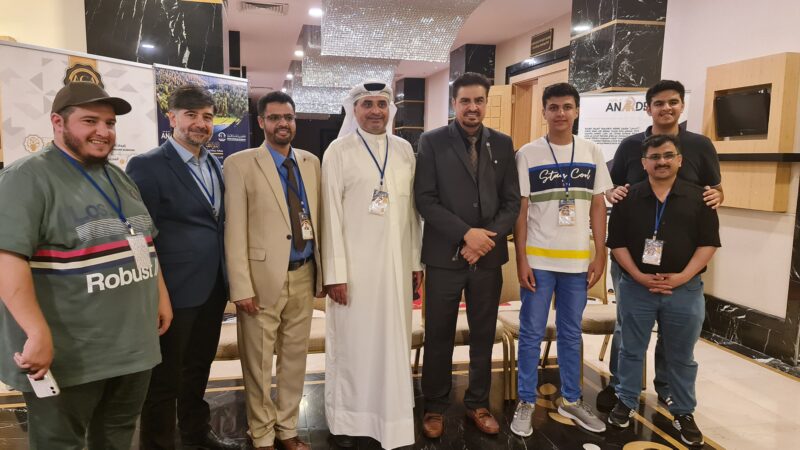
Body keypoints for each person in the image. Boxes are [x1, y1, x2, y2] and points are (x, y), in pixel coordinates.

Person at [0, 81, 172, 449]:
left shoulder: (117, 176)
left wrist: (160, 295)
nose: (103, 132)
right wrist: (36, 332)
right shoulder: (26, 178)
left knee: (117, 437)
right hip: (71, 352)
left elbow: (143, 239)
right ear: (57, 122)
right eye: (90, 121)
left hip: (133, 347)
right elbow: (7, 259)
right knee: (60, 442)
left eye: (110, 123)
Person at [598, 80, 723, 411]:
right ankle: (621, 387)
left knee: (674, 331)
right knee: (627, 326)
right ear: (648, 107)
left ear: (682, 105)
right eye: (659, 103)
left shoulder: (700, 145)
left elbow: (715, 189)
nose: (666, 108)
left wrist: (719, 196)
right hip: (632, 260)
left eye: (673, 102)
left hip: (682, 262)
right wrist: (611, 193)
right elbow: (610, 187)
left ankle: (666, 387)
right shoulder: (630, 145)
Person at [126, 85, 237, 449]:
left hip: (213, 287)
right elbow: (138, 236)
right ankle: (158, 443)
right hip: (171, 291)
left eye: (207, 117)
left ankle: (195, 432)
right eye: (191, 115)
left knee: (199, 367)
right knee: (164, 378)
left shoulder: (214, 163)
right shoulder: (147, 165)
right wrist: (152, 293)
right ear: (171, 118)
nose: (200, 124)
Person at [415, 72, 519, 438]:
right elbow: (425, 199)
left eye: (478, 100)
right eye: (465, 101)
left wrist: (484, 241)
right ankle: (435, 405)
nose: (472, 107)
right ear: (454, 104)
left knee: (483, 333)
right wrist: (466, 234)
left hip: (487, 258)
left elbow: (511, 203)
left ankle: (478, 402)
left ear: (486, 103)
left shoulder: (503, 144)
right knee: (438, 333)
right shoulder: (432, 142)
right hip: (445, 256)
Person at [321, 80, 422, 449]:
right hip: (354, 273)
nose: (376, 111)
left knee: (393, 343)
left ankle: (391, 417)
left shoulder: (405, 150)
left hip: (396, 269)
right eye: (368, 104)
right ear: (355, 109)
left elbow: (412, 214)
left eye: (382, 104)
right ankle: (350, 419)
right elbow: (329, 215)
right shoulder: (338, 151)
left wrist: (415, 264)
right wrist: (335, 274)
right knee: (355, 346)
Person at [509, 82, 610, 436]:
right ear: (544, 112)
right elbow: (521, 211)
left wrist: (601, 253)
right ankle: (526, 400)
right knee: (531, 333)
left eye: (567, 107)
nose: (561, 113)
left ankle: (571, 398)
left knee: (570, 332)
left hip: (577, 263)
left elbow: (598, 205)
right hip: (538, 260)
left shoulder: (592, 151)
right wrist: (521, 259)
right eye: (553, 107)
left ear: (577, 111)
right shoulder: (528, 154)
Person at [606, 134, 720, 447]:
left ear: (679, 160)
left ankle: (683, 410)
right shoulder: (628, 198)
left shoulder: (701, 198)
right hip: (637, 288)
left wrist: (682, 276)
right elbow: (616, 243)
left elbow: (708, 243)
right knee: (631, 349)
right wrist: (638, 276)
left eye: (668, 156)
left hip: (684, 289)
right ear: (644, 163)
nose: (662, 162)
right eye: (654, 157)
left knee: (681, 355)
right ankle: (626, 400)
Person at [224, 91, 322, 450]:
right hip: (261, 280)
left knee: (295, 359)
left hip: (304, 273)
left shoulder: (311, 162)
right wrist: (241, 287)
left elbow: (317, 220)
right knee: (259, 363)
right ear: (262, 121)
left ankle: (288, 428)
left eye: (289, 117)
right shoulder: (240, 164)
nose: (283, 123)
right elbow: (234, 230)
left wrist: (323, 274)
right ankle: (262, 433)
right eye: (275, 117)